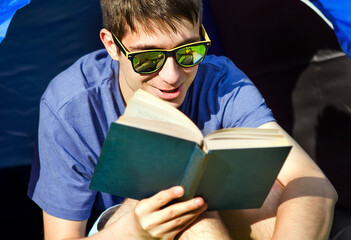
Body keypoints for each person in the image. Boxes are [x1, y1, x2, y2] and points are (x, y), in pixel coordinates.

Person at [27, 0, 337, 239]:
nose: (172, 76)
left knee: (268, 193)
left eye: (189, 51)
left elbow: (313, 184)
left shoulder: (222, 81)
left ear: (202, 33)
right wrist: (134, 230)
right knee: (181, 204)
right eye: (148, 59)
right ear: (111, 45)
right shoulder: (70, 106)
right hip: (122, 229)